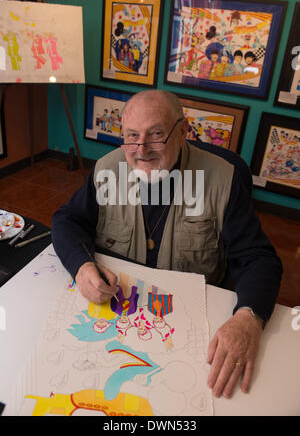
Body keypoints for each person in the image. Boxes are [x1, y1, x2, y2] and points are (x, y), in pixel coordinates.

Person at [52, 90, 282, 400]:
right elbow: (68, 220)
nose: (141, 149)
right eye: (132, 136)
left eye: (156, 134)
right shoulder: (108, 169)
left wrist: (248, 317)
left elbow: (258, 258)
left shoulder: (222, 180)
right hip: (118, 321)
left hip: (189, 330)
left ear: (184, 130)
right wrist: (81, 267)